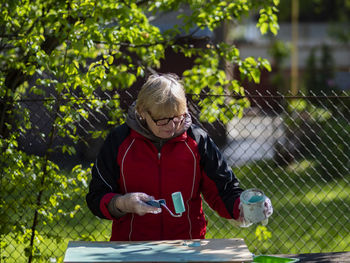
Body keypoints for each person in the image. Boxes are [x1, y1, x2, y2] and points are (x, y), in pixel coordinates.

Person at [86, 73, 273, 241]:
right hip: (132, 248)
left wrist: (245, 206)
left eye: (178, 117)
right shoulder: (120, 141)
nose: (172, 126)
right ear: (142, 113)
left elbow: (224, 191)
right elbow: (97, 196)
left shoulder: (197, 141)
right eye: (162, 120)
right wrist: (123, 203)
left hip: (187, 247)